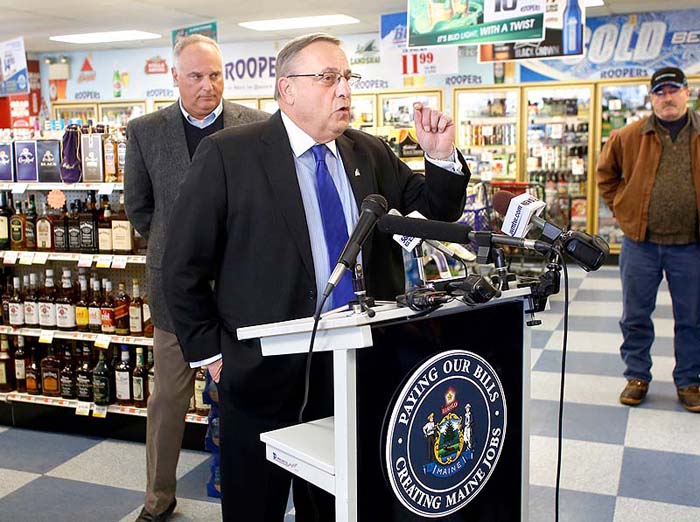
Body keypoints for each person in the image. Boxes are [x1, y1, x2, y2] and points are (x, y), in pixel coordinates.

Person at [162, 33, 470, 521]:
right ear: (287, 90)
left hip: (354, 366)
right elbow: (181, 267)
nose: (344, 89)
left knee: (336, 505)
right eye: (329, 78)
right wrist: (213, 356)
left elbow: (433, 214)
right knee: (254, 507)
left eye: (347, 77)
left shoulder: (368, 153)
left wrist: (438, 158)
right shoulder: (230, 156)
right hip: (263, 371)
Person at [124, 34, 268, 521]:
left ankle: (250, 497)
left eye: (215, 75)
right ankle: (158, 500)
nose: (208, 86)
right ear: (175, 78)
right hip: (174, 293)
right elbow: (139, 209)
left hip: (242, 289)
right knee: (168, 399)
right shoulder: (145, 131)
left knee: (245, 397)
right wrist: (178, 246)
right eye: (196, 76)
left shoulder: (256, 124)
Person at [597, 66, 700, 413]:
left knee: (693, 317)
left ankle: (689, 381)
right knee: (636, 315)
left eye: (673, 90)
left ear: (687, 92)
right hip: (641, 244)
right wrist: (624, 210)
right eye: (660, 92)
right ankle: (637, 376)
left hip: (691, 245)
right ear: (651, 97)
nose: (667, 97)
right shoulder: (628, 136)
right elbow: (605, 176)